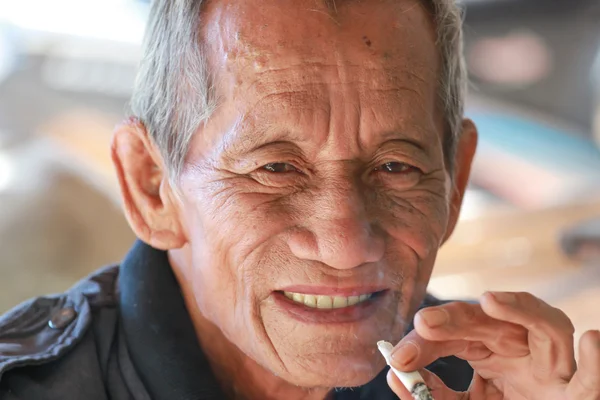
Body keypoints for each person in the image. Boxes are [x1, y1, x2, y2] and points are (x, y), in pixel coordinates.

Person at [1, 0, 598, 399]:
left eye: (395, 167)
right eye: (276, 168)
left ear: (455, 179)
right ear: (153, 185)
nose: (345, 247)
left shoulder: (480, 382)